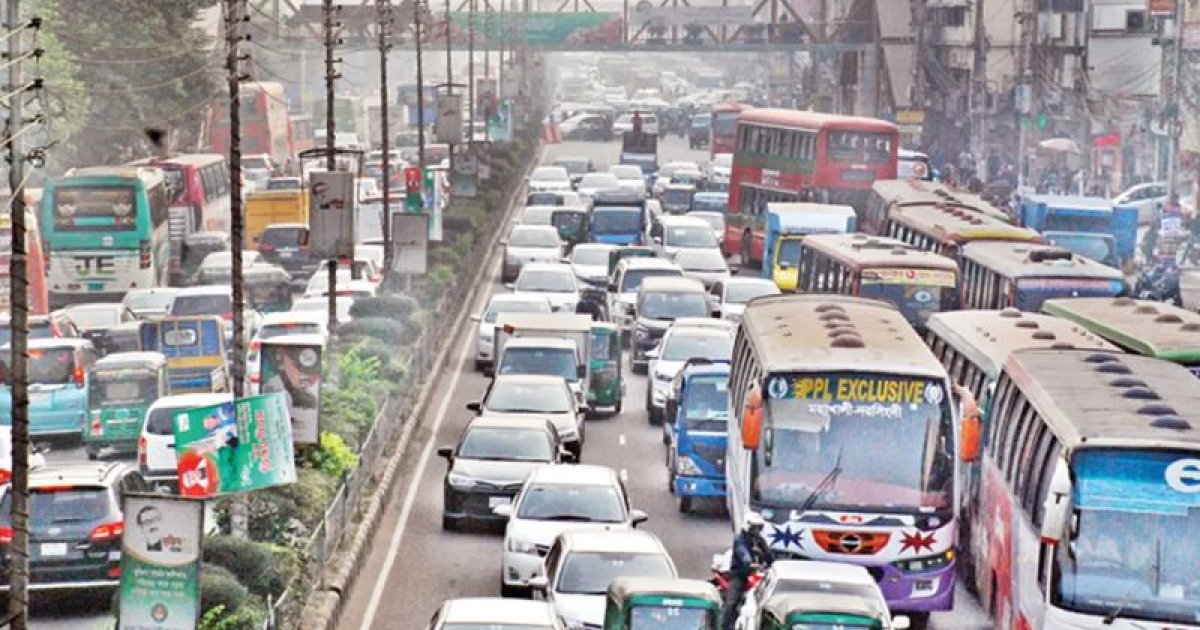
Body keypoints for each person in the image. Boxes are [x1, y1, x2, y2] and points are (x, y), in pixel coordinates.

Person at [721, 513, 774, 630]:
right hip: (741, 575)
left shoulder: (760, 541)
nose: (757, 530)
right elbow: (742, 552)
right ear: (748, 526)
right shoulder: (740, 539)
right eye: (754, 527)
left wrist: (767, 558)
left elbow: (769, 557)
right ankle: (724, 626)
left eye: (759, 527)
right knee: (731, 603)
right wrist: (749, 562)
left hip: (758, 575)